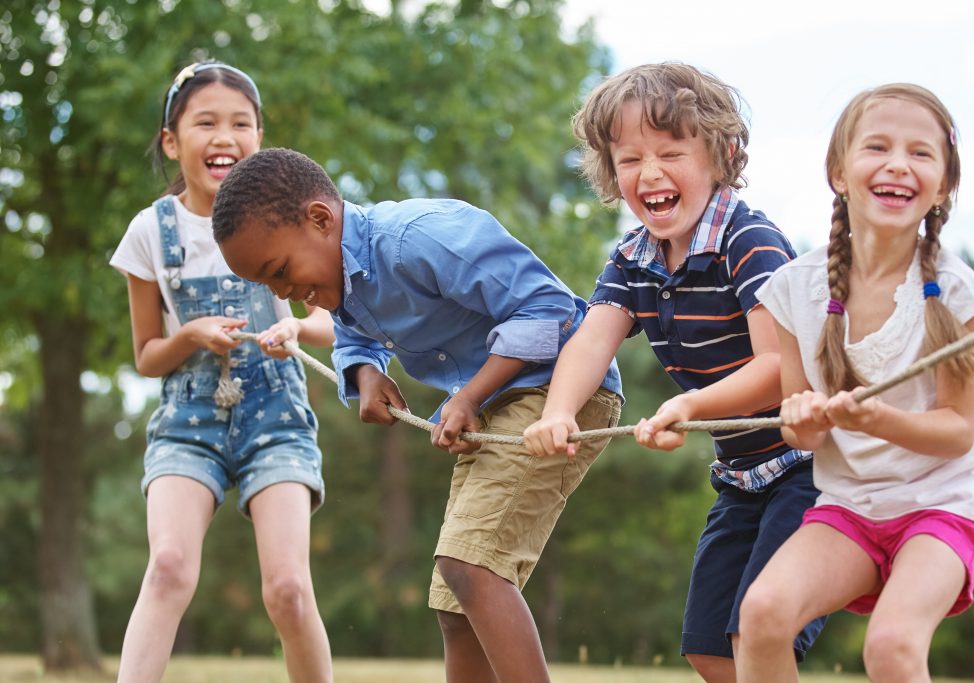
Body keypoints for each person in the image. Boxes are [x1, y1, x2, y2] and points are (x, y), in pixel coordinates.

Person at [211, 146, 623, 683]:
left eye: (281, 271)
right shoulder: (346, 279)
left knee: (470, 567)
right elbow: (353, 335)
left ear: (320, 219)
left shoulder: (417, 237)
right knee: (456, 599)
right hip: (498, 407)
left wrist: (469, 395)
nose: (286, 293)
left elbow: (546, 307)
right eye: (271, 287)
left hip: (559, 391)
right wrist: (364, 375)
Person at [522, 62, 825, 682]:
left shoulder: (750, 241)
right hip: (742, 474)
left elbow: (778, 366)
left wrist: (689, 407)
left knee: (758, 628)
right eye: (629, 159)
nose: (650, 174)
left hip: (810, 465)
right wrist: (558, 411)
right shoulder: (634, 258)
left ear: (722, 154)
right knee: (710, 649)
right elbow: (590, 341)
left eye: (669, 153)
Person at [737, 83, 974, 683]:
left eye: (921, 153)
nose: (898, 164)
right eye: (877, 147)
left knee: (890, 646)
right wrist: (801, 421)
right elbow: (798, 429)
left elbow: (958, 433)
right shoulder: (793, 291)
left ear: (944, 185)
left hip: (941, 507)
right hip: (851, 507)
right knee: (763, 614)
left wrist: (873, 419)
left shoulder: (958, 298)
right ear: (838, 171)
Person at [109, 62, 334, 683]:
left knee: (287, 588)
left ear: (260, 137)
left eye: (241, 123)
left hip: (278, 416)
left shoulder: (292, 217)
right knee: (170, 568)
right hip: (188, 419)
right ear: (172, 141)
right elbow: (146, 355)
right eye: (205, 122)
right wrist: (188, 334)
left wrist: (295, 326)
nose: (224, 137)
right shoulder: (149, 233)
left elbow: (331, 324)